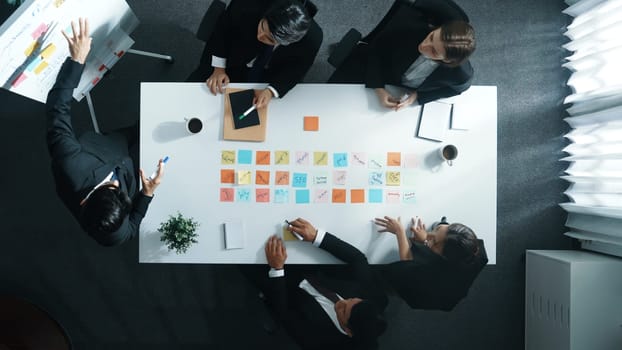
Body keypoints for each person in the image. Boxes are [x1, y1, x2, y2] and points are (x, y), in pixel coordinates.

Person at [46, 18, 164, 247]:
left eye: (113, 187)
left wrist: (77, 60)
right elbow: (131, 229)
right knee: (138, 140)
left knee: (131, 133)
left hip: (104, 149)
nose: (119, 186)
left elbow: (56, 110)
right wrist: (146, 195)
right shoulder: (112, 231)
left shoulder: (69, 161)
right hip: (121, 164)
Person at [249, 218, 387, 350]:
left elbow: (283, 313)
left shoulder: (319, 342)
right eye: (351, 300)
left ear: (347, 330)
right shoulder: (377, 300)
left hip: (282, 285)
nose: (341, 302)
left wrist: (277, 269)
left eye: (343, 310)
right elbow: (358, 260)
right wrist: (316, 237)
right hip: (310, 264)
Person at [328, 1, 475, 110]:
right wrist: (378, 88)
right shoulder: (407, 27)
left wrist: (417, 97)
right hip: (379, 70)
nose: (424, 46)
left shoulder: (460, 74)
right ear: (436, 29)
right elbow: (376, 49)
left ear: (447, 60)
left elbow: (458, 88)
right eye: (431, 37)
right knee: (333, 105)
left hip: (400, 91)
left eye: (434, 51)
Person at [188, 0, 323, 109]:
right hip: (230, 61)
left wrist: (271, 91)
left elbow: (296, 70)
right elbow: (221, 31)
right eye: (262, 27)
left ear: (289, 42)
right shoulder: (247, 4)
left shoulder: (312, 39)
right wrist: (218, 69)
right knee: (194, 100)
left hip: (267, 76)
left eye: (269, 39)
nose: (260, 36)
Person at [374, 215, 487, 310]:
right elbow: (445, 232)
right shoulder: (472, 246)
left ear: (444, 257)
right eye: (438, 230)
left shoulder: (432, 276)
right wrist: (428, 240)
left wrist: (400, 232)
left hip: (430, 292)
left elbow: (407, 265)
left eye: (434, 241)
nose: (429, 234)